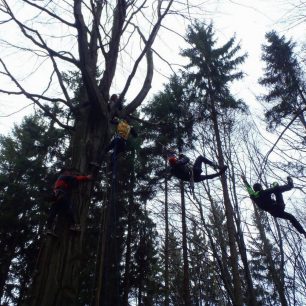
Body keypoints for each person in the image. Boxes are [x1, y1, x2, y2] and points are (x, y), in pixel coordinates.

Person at [241, 175, 306, 238]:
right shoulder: (264, 192)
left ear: (254, 190)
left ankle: (303, 232)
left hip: (275, 213)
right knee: (277, 190)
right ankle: (290, 186)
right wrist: (275, 184)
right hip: (278, 206)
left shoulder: (254, 196)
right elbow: (275, 189)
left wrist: (244, 181)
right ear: (260, 188)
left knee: (291, 217)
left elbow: (249, 189)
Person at [46, 168, 92, 236]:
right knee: (68, 210)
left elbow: (73, 183)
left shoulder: (62, 180)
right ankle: (72, 225)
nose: (70, 173)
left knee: (54, 211)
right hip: (61, 195)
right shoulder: (63, 176)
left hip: (57, 196)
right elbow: (75, 178)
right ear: (65, 172)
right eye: (68, 172)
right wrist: (86, 177)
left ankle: (48, 229)